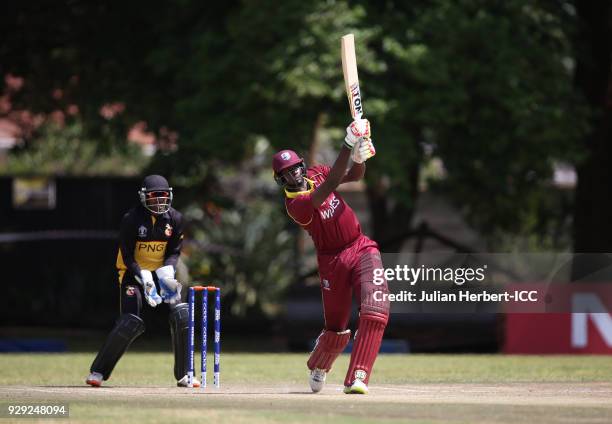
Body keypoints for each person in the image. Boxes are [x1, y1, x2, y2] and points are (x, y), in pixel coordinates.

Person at [272, 119, 390, 394]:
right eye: (287, 173)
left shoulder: (315, 173)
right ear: (281, 180)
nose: (296, 174)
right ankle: (319, 365)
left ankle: (358, 376)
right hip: (332, 261)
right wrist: (348, 143)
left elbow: (354, 176)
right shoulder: (295, 205)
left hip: (360, 246)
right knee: (336, 327)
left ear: (303, 165)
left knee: (376, 309)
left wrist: (360, 155)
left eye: (296, 167)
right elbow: (334, 181)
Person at [85, 175, 194, 387]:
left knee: (181, 314)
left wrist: (167, 273)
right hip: (132, 273)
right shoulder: (131, 219)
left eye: (163, 197)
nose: (159, 202)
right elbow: (126, 254)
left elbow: (174, 252)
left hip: (162, 273)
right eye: (154, 197)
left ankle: (185, 374)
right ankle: (98, 372)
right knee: (130, 321)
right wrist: (142, 276)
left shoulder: (176, 219)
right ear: (144, 197)